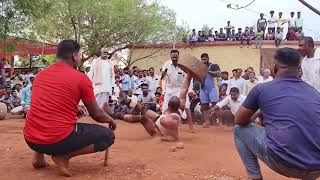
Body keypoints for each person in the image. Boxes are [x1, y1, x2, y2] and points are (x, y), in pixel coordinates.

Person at [23, 40, 116, 177]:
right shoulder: (81, 78)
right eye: (79, 55)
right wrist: (110, 119)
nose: (79, 58)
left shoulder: (40, 75)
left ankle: (38, 157)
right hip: (57, 140)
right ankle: (64, 156)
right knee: (108, 137)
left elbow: (44, 106)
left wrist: (72, 109)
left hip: (31, 139)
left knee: (42, 117)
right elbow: (96, 114)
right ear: (74, 56)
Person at [234, 47, 320, 180]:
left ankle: (255, 177)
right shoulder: (314, 93)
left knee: (239, 130)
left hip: (284, 164)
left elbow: (239, 120)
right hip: (316, 168)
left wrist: (260, 113)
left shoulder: (262, 89)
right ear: (299, 69)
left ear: (274, 68)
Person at [161, 50, 193, 131]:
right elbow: (163, 77)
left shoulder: (184, 66)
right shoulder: (167, 64)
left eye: (176, 57)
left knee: (186, 106)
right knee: (165, 107)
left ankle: (191, 126)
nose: (174, 58)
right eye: (173, 57)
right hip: (169, 88)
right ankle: (163, 126)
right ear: (170, 56)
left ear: (179, 57)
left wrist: (190, 91)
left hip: (180, 89)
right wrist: (163, 75)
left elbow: (189, 79)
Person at [199, 53, 221, 128]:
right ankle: (207, 122)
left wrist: (208, 71)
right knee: (204, 106)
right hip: (203, 89)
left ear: (208, 59)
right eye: (202, 60)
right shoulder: (200, 68)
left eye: (204, 59)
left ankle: (220, 122)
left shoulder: (214, 66)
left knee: (216, 105)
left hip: (213, 88)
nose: (203, 61)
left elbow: (218, 74)